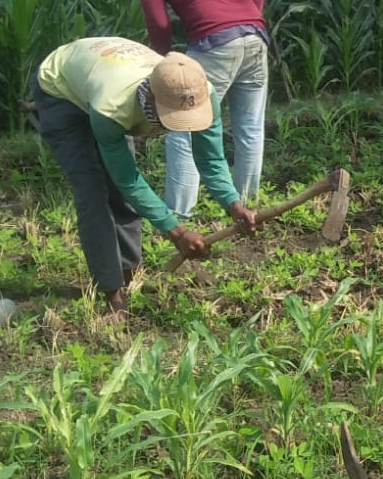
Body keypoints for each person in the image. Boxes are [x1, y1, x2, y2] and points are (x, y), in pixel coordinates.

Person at [31, 37, 258, 312]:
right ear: (151, 101)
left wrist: (234, 205)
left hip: (105, 73)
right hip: (61, 89)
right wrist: (176, 232)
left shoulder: (199, 93)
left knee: (122, 196)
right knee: (92, 191)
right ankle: (112, 293)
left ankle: (130, 275)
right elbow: (127, 179)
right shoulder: (113, 106)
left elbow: (210, 159)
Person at [128, 0, 270, 219]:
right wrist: (240, 22)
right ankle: (247, 204)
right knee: (250, 125)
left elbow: (159, 22)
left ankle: (179, 212)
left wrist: (160, 63)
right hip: (256, 35)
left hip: (214, 42)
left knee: (182, 128)